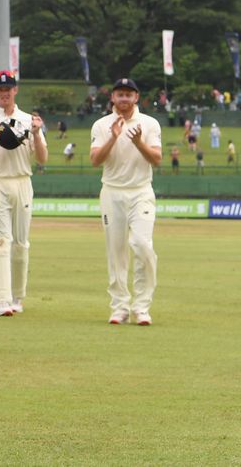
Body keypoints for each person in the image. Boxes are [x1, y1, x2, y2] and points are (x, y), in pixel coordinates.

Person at [89, 78, 162, 326]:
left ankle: (141, 307)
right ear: (112, 98)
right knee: (116, 251)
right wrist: (113, 137)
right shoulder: (101, 125)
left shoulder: (149, 124)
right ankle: (120, 307)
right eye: (119, 94)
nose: (123, 99)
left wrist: (138, 141)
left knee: (142, 245)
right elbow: (95, 161)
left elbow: (157, 159)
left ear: (136, 98)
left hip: (141, 191)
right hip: (112, 192)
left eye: (128, 95)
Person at [0, 70, 47, 316]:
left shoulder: (29, 120)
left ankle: (17, 296)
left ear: (15, 90)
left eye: (8, 89)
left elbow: (42, 159)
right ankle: (2, 300)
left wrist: (38, 133)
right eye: (0, 89)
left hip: (22, 181)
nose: (4, 93)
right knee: (1, 239)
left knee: (20, 243)